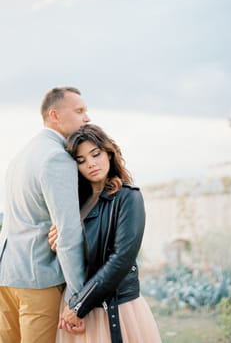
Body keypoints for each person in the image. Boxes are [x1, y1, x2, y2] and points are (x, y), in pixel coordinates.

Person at [49, 124, 162, 343]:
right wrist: (57, 242)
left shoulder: (128, 198)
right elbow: (77, 254)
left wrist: (79, 306)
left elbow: (121, 258)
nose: (90, 163)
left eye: (95, 154)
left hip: (114, 307)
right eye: (81, 161)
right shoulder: (75, 203)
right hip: (77, 303)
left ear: (109, 153)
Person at [0, 87, 90, 343]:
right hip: (37, 279)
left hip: (7, 275)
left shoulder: (21, 156)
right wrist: (78, 297)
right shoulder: (56, 158)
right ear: (55, 115)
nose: (87, 118)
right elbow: (68, 232)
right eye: (80, 111)